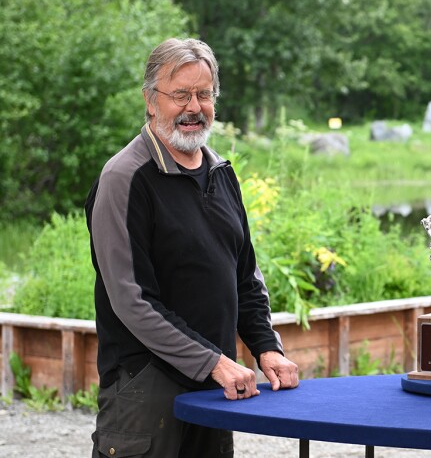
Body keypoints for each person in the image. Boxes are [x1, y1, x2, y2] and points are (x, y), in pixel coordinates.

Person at [85, 38, 299, 457]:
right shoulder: (124, 179)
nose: (194, 107)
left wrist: (266, 346)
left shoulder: (221, 172)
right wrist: (214, 362)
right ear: (150, 101)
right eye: (179, 94)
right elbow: (133, 301)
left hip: (216, 384)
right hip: (146, 387)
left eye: (204, 94)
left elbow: (244, 276)